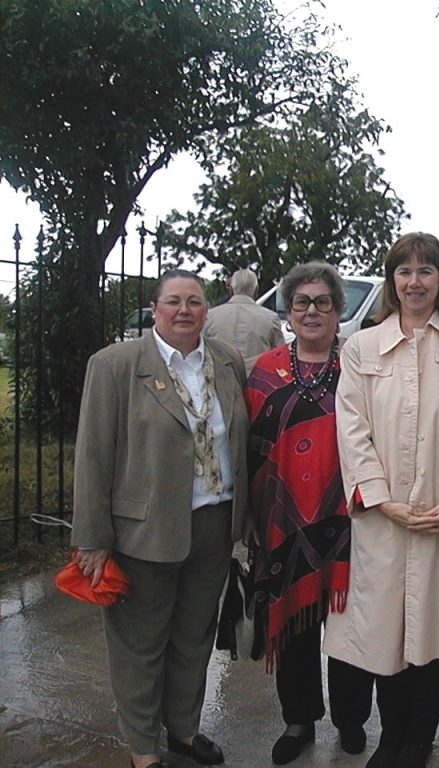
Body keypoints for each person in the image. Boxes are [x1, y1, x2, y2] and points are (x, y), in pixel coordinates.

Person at [324, 232, 439, 768]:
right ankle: (391, 737)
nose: (414, 281)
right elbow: (351, 430)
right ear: (391, 280)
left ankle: (418, 741)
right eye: (404, 271)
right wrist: (379, 499)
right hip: (383, 517)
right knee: (386, 632)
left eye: (425, 271)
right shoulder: (362, 347)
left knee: (433, 627)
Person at [72, 269, 249, 768]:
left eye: (194, 300)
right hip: (143, 533)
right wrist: (92, 537)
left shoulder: (227, 362)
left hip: (214, 524)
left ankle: (185, 732)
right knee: (141, 647)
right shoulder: (115, 365)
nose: (185, 310)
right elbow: (92, 456)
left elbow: (238, 442)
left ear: (207, 310)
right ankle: (143, 749)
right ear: (155, 309)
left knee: (194, 638)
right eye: (174, 301)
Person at [245, 262, 374, 765]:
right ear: (288, 310)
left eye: (323, 302)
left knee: (349, 627)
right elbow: (249, 448)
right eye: (302, 302)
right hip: (283, 518)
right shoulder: (263, 369)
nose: (312, 311)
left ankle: (351, 720)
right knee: (294, 624)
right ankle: (298, 720)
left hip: (351, 518)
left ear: (339, 310)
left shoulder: (360, 366)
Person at [204, 267, 284, 375]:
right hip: (258, 382)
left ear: (231, 290)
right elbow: (281, 355)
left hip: (221, 381)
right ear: (256, 291)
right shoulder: (270, 318)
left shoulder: (210, 316)